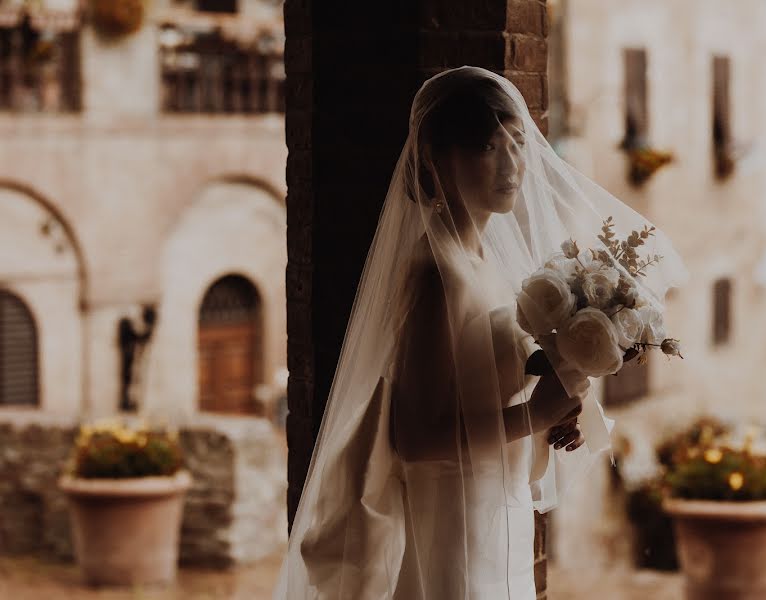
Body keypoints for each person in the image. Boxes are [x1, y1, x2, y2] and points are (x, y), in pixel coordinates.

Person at [274, 66, 686, 600]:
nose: (512, 165)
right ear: (437, 159)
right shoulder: (435, 274)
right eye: (488, 147)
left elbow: (479, 388)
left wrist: (552, 412)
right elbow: (415, 438)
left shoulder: (486, 258)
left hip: (496, 500)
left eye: (517, 142)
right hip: (450, 520)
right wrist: (532, 415)